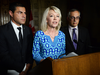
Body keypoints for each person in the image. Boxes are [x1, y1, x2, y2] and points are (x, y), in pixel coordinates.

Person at [0, 2, 33, 75]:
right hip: (8, 71)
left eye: (25, 13)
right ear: (11, 13)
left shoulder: (28, 30)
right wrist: (22, 68)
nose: (24, 16)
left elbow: (30, 51)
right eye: (20, 12)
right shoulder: (2, 31)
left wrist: (27, 68)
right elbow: (3, 56)